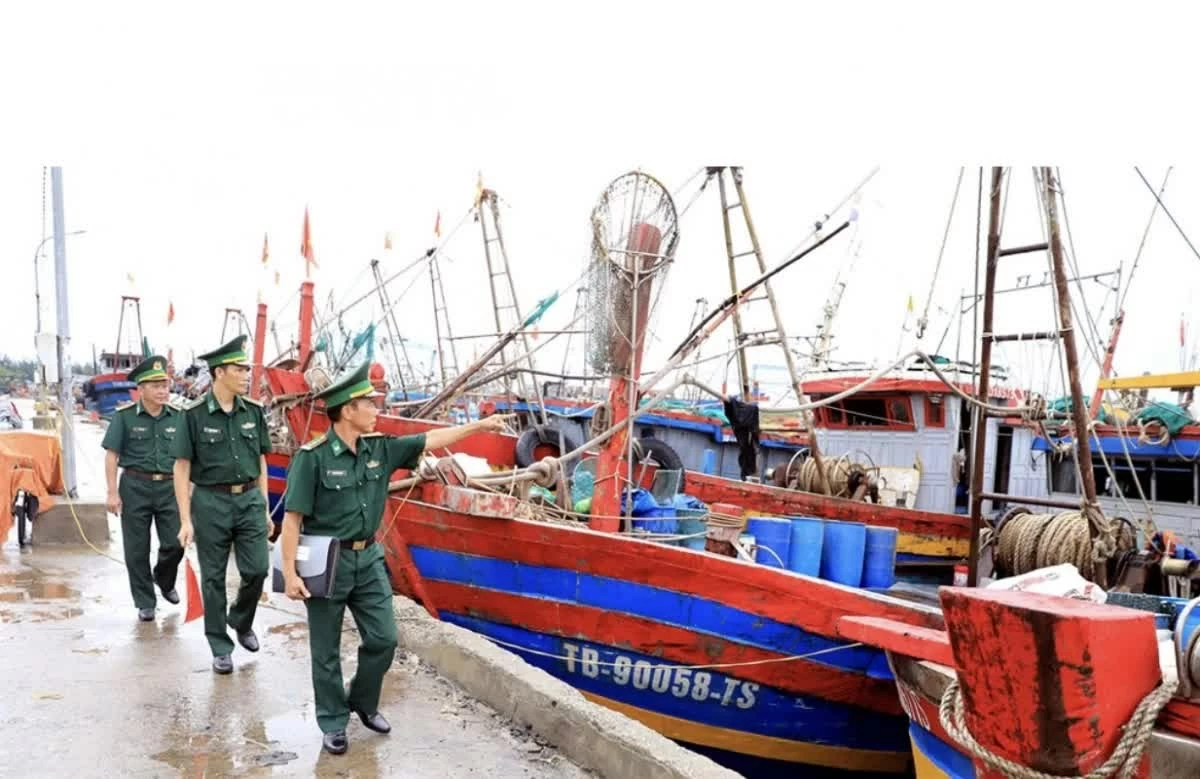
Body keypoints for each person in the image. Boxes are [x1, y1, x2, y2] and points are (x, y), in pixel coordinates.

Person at [280, 362, 509, 755]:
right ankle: (333, 721)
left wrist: (477, 428)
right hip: (325, 558)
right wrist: (289, 574)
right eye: (369, 402)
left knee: (384, 639)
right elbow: (292, 519)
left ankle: (363, 702)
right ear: (347, 410)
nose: (375, 407)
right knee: (326, 649)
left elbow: (430, 439)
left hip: (368, 558)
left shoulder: (380, 449)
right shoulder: (312, 458)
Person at [172, 335, 273, 674]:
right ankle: (219, 644)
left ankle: (241, 619)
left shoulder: (253, 412)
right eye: (240, 369)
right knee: (213, 577)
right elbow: (182, 467)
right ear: (219, 373)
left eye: (247, 369)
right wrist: (185, 520)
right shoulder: (194, 415)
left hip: (248, 499)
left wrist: (264, 505)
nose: (246, 375)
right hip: (210, 501)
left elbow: (260, 461)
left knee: (258, 568)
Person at [101, 355, 184, 622]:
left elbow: (187, 458)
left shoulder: (179, 417)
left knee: (176, 542)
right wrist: (112, 492)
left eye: (165, 385)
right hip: (134, 486)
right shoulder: (124, 417)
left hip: (170, 487)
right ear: (141, 389)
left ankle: (164, 577)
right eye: (156, 385)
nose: (163, 391)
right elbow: (112, 455)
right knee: (136, 549)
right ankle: (145, 600)